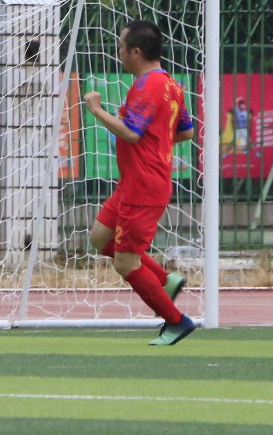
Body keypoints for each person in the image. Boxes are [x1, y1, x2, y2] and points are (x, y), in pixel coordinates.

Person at [83, 19, 197, 346]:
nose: (118, 52)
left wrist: (96, 110)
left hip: (143, 185)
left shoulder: (149, 86)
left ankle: (176, 322)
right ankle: (164, 280)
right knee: (100, 237)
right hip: (135, 183)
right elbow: (186, 131)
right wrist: (157, 142)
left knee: (125, 262)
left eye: (121, 46)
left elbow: (131, 132)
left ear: (135, 51)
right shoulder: (171, 85)